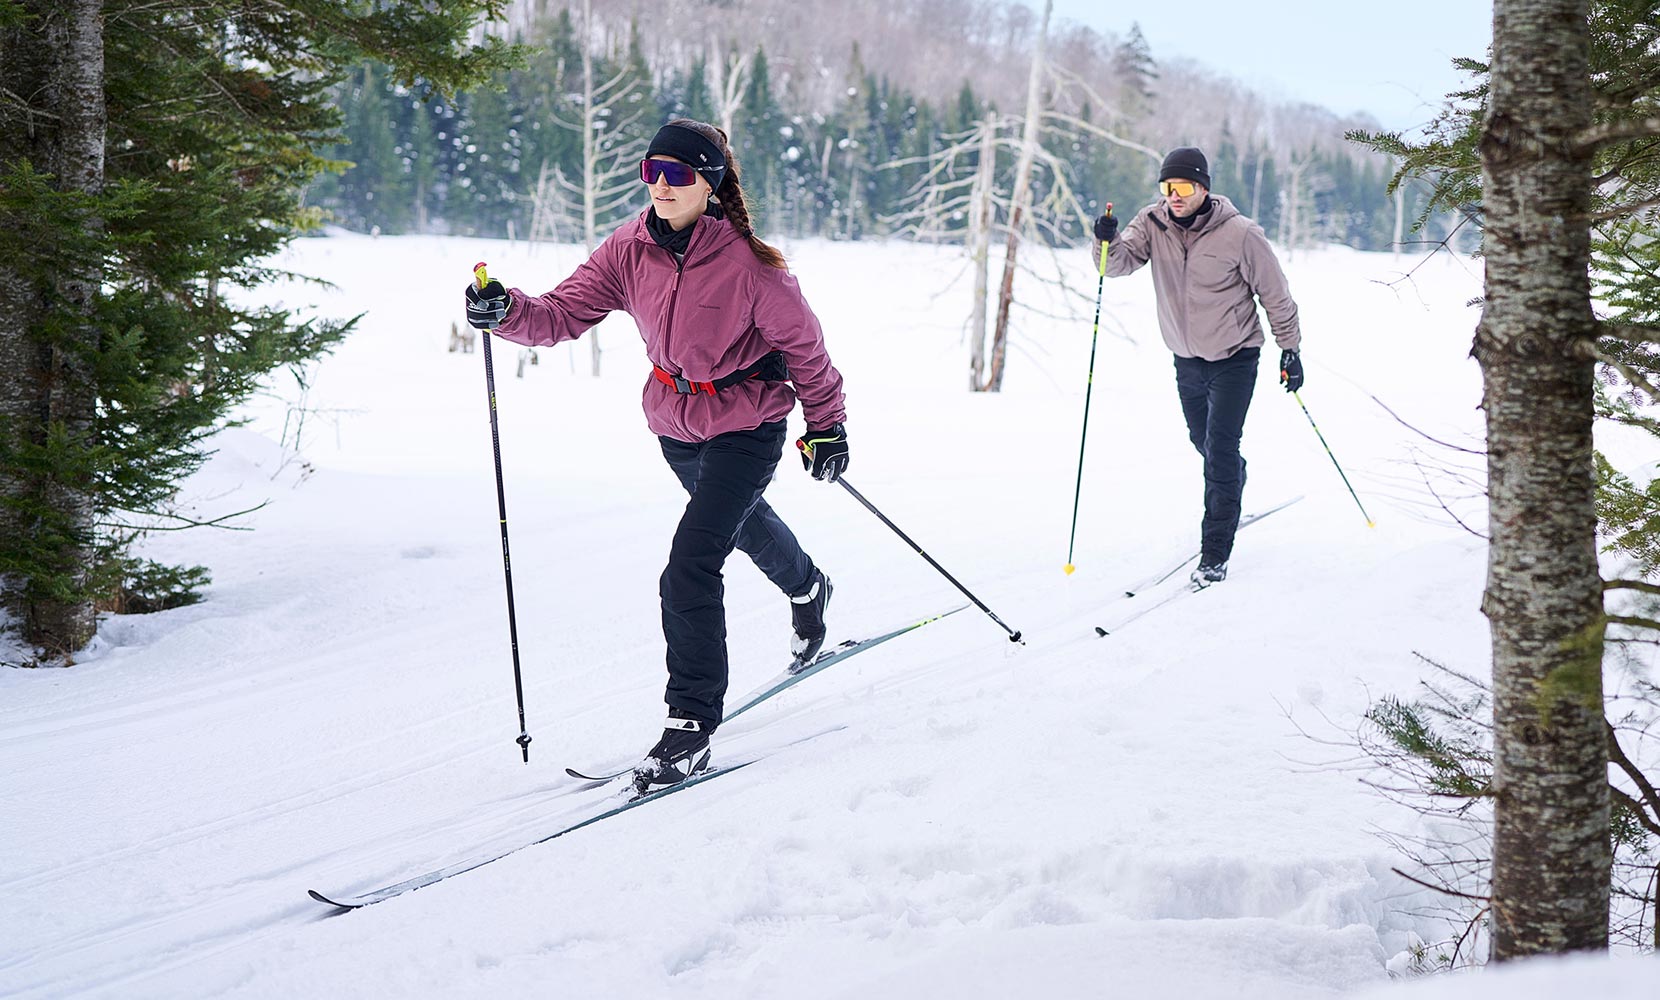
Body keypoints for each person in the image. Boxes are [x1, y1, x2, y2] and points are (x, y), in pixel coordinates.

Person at [463, 119, 850, 793]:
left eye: (679, 175)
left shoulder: (753, 267)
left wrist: (829, 427)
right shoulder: (628, 247)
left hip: (747, 425)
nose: (662, 187)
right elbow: (561, 313)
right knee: (741, 523)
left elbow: (809, 354)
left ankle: (691, 726)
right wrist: (506, 311)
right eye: (652, 172)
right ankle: (808, 586)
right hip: (675, 423)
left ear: (711, 182)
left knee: (690, 565)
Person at [1092, 146, 1302, 586]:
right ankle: (1233, 481)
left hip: (1235, 356)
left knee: (1220, 450)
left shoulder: (1241, 233)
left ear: (1203, 188)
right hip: (1185, 358)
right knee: (1202, 441)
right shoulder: (1151, 223)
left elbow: (1275, 294)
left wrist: (1290, 349)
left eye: (1183, 187)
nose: (1174, 195)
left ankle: (1214, 554)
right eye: (1167, 187)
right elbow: (1115, 267)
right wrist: (1104, 239)